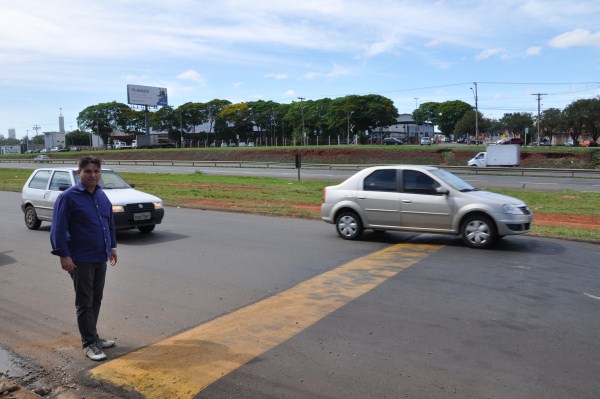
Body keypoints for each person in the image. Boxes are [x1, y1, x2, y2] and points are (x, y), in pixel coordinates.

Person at [50, 156, 118, 361]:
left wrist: (112, 247)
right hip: (80, 259)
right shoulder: (68, 197)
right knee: (84, 302)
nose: (93, 175)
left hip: (100, 256)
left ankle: (93, 336)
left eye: (96, 171)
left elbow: (109, 222)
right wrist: (63, 255)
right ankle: (89, 344)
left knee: (96, 299)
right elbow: (58, 229)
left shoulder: (101, 195)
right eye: (88, 171)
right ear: (79, 173)